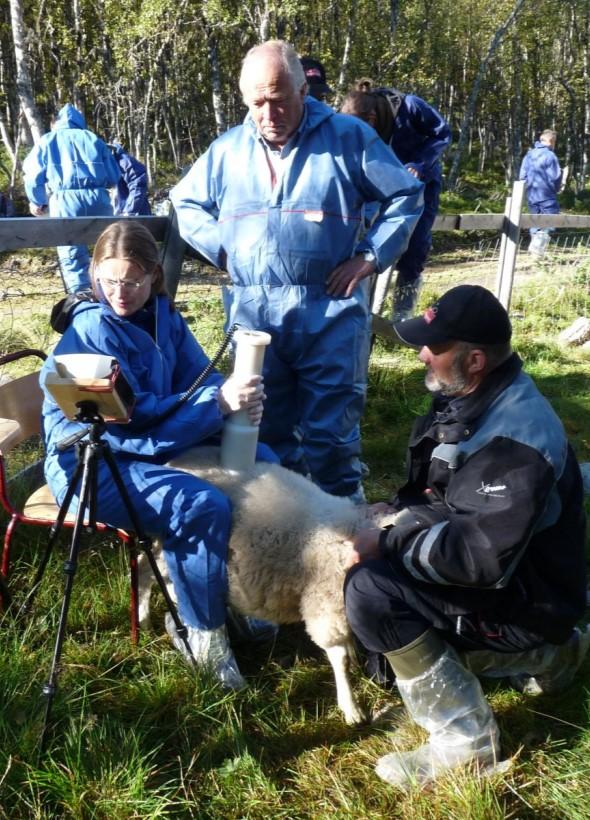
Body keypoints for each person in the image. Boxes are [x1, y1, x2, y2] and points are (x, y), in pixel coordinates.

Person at [343, 284, 589, 789]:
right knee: (382, 660)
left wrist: (386, 543)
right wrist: (388, 513)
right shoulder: (466, 401)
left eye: (434, 346)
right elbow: (442, 496)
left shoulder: (514, 440)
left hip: (527, 599)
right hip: (511, 582)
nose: (421, 354)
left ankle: (468, 746)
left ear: (474, 359)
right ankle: (552, 656)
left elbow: (479, 558)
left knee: (371, 593)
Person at [170, 40, 424, 503]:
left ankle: (347, 541)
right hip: (254, 315)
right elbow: (183, 201)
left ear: (302, 90)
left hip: (328, 310)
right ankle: (285, 538)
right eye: (257, 102)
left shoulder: (348, 137)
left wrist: (370, 257)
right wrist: (223, 250)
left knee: (331, 437)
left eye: (280, 99)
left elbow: (405, 196)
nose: (269, 113)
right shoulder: (227, 150)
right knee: (264, 433)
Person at [40, 221, 278, 690]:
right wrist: (215, 407)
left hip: (145, 443)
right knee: (200, 505)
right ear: (93, 274)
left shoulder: (163, 315)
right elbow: (128, 420)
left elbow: (199, 377)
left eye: (130, 281)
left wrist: (233, 394)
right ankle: (199, 633)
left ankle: (235, 593)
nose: (118, 293)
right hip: (90, 462)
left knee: (263, 460)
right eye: (107, 280)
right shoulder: (92, 329)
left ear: (153, 276)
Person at [341, 83, 451, 320]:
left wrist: (420, 163)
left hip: (421, 183)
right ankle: (358, 307)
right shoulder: (358, 124)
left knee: (415, 244)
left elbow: (442, 132)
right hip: (378, 181)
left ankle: (402, 314)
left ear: (372, 119)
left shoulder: (410, 106)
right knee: (363, 236)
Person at [22, 103, 121, 294]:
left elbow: (33, 176)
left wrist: (38, 201)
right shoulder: (94, 139)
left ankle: (80, 295)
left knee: (70, 249)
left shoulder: (47, 140)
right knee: (109, 246)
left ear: (55, 123)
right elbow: (113, 175)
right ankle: (111, 291)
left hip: (64, 199)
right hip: (98, 198)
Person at [519, 129, 562, 254]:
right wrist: (557, 188)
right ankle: (537, 251)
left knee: (535, 221)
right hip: (547, 194)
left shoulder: (529, 155)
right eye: (554, 142)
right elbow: (555, 176)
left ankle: (534, 250)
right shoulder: (550, 155)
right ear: (551, 141)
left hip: (531, 194)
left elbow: (522, 176)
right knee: (550, 221)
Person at [109, 142, 152, 215]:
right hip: (117, 214)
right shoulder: (105, 165)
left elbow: (138, 183)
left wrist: (129, 212)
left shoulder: (124, 161)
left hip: (134, 216)